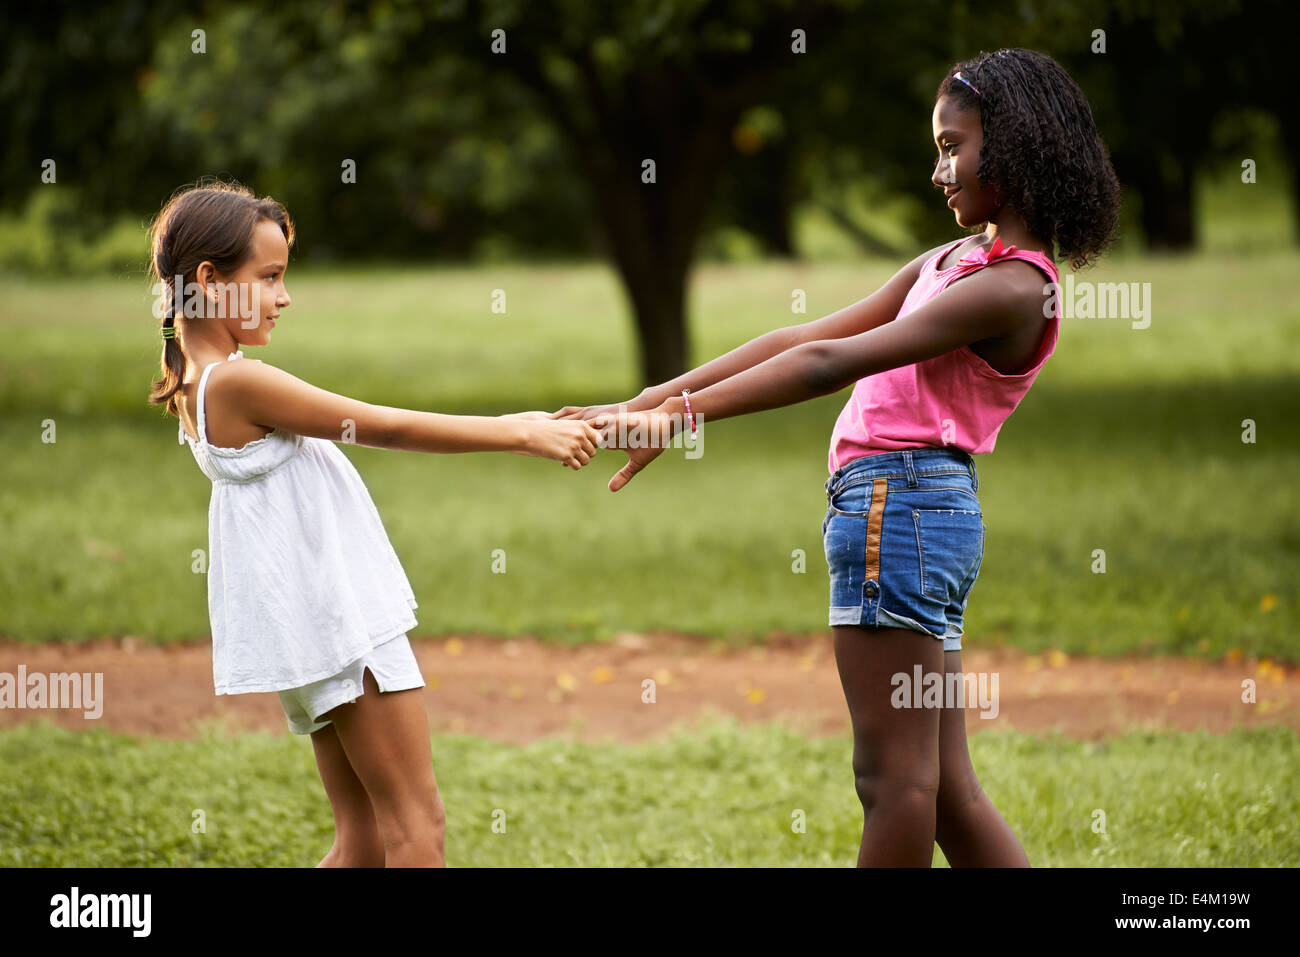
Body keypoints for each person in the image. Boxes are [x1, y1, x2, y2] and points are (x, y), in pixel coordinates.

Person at [556, 48, 1120, 866]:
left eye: (953, 146)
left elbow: (830, 366)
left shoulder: (1014, 288)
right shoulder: (949, 263)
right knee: (944, 791)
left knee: (894, 781)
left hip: (902, 513)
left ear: (1019, 146)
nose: (939, 170)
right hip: (913, 518)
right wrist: (648, 401)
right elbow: (804, 336)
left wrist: (681, 419)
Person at [147, 180, 606, 867]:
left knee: (361, 843)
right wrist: (517, 432)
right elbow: (385, 426)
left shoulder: (200, 377)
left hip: (309, 627)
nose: (284, 295)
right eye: (269, 278)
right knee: (417, 829)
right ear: (211, 282)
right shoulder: (239, 384)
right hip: (340, 623)